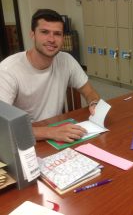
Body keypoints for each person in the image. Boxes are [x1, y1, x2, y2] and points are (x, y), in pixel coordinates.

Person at [0, 9, 101, 143]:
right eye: (44, 32)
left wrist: (94, 102)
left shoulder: (66, 60)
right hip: (24, 140)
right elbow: (2, 126)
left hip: (58, 133)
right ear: (32, 34)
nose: (51, 39)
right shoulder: (8, 70)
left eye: (57, 34)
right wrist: (50, 132)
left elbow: (89, 91)